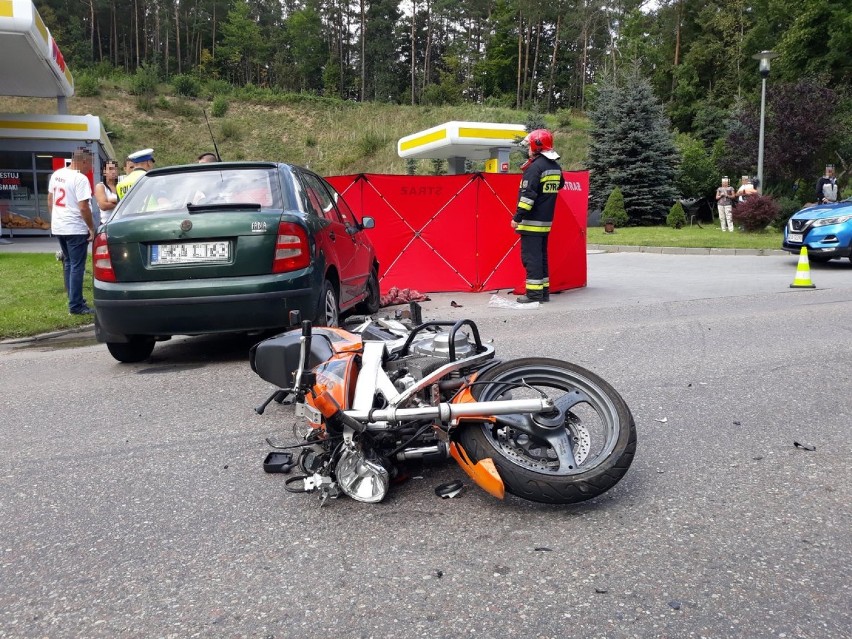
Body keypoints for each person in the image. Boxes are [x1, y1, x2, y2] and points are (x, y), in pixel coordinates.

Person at [511, 129, 565, 303]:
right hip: (545, 221)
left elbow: (528, 197)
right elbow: (560, 184)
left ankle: (534, 295)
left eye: (529, 146)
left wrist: (517, 217)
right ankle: (544, 292)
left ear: (536, 146)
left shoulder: (535, 168)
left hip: (531, 221)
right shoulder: (555, 167)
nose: (528, 149)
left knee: (531, 258)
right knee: (541, 257)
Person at [48, 147, 95, 315]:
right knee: (77, 266)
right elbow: (84, 207)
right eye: (90, 163)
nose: (91, 168)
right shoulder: (80, 179)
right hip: (75, 227)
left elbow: (50, 199)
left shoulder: (57, 174)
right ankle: (76, 305)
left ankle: (73, 298)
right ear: (83, 161)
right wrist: (91, 227)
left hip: (60, 225)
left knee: (68, 263)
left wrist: (55, 218)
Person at [94, 159, 119, 224]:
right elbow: (103, 206)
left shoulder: (120, 185)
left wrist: (112, 200)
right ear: (104, 171)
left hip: (120, 222)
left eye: (115, 169)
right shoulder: (101, 186)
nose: (113, 171)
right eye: (110, 169)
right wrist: (120, 202)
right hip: (107, 223)